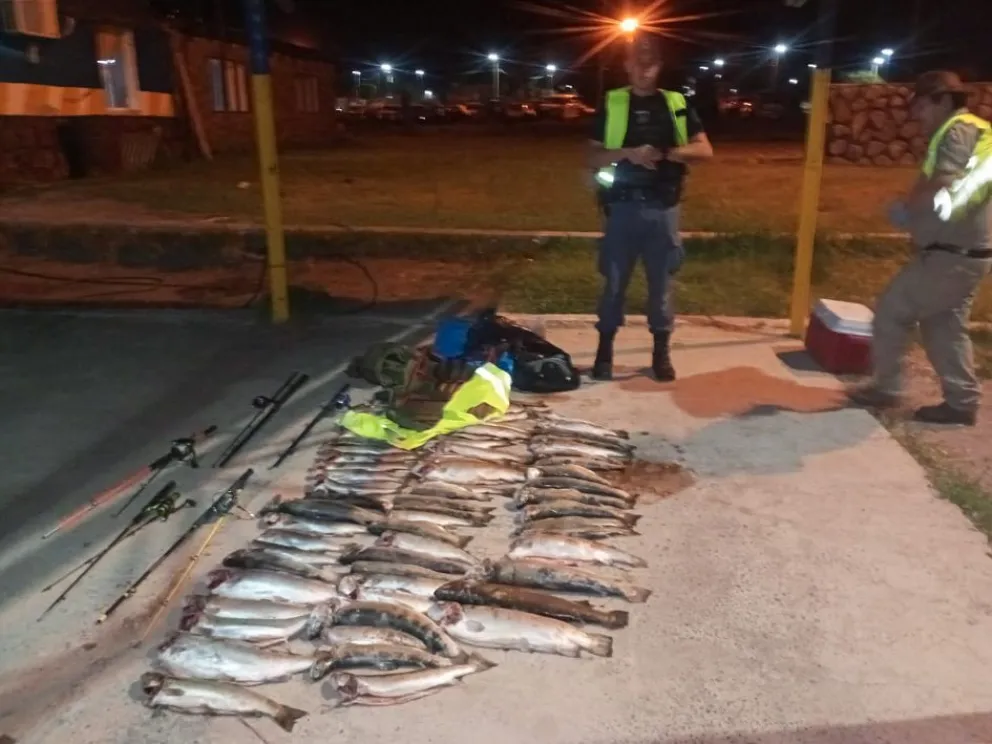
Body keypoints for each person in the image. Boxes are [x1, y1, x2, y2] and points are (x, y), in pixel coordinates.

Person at [848, 71, 992, 426]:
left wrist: (908, 209)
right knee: (944, 325)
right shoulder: (978, 130)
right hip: (967, 253)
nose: (916, 116)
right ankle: (961, 403)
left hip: (951, 255)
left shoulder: (957, 130)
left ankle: (887, 387)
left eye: (921, 106)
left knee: (892, 310)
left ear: (942, 101)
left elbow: (945, 182)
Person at [588, 33, 713, 381]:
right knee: (613, 285)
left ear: (659, 67)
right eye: (638, 63)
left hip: (663, 210)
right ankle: (604, 352)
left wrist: (667, 153)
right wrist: (627, 153)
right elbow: (591, 156)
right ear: (627, 66)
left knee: (661, 286)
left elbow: (705, 150)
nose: (644, 70)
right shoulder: (613, 103)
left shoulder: (676, 104)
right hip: (621, 209)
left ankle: (661, 353)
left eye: (651, 64)